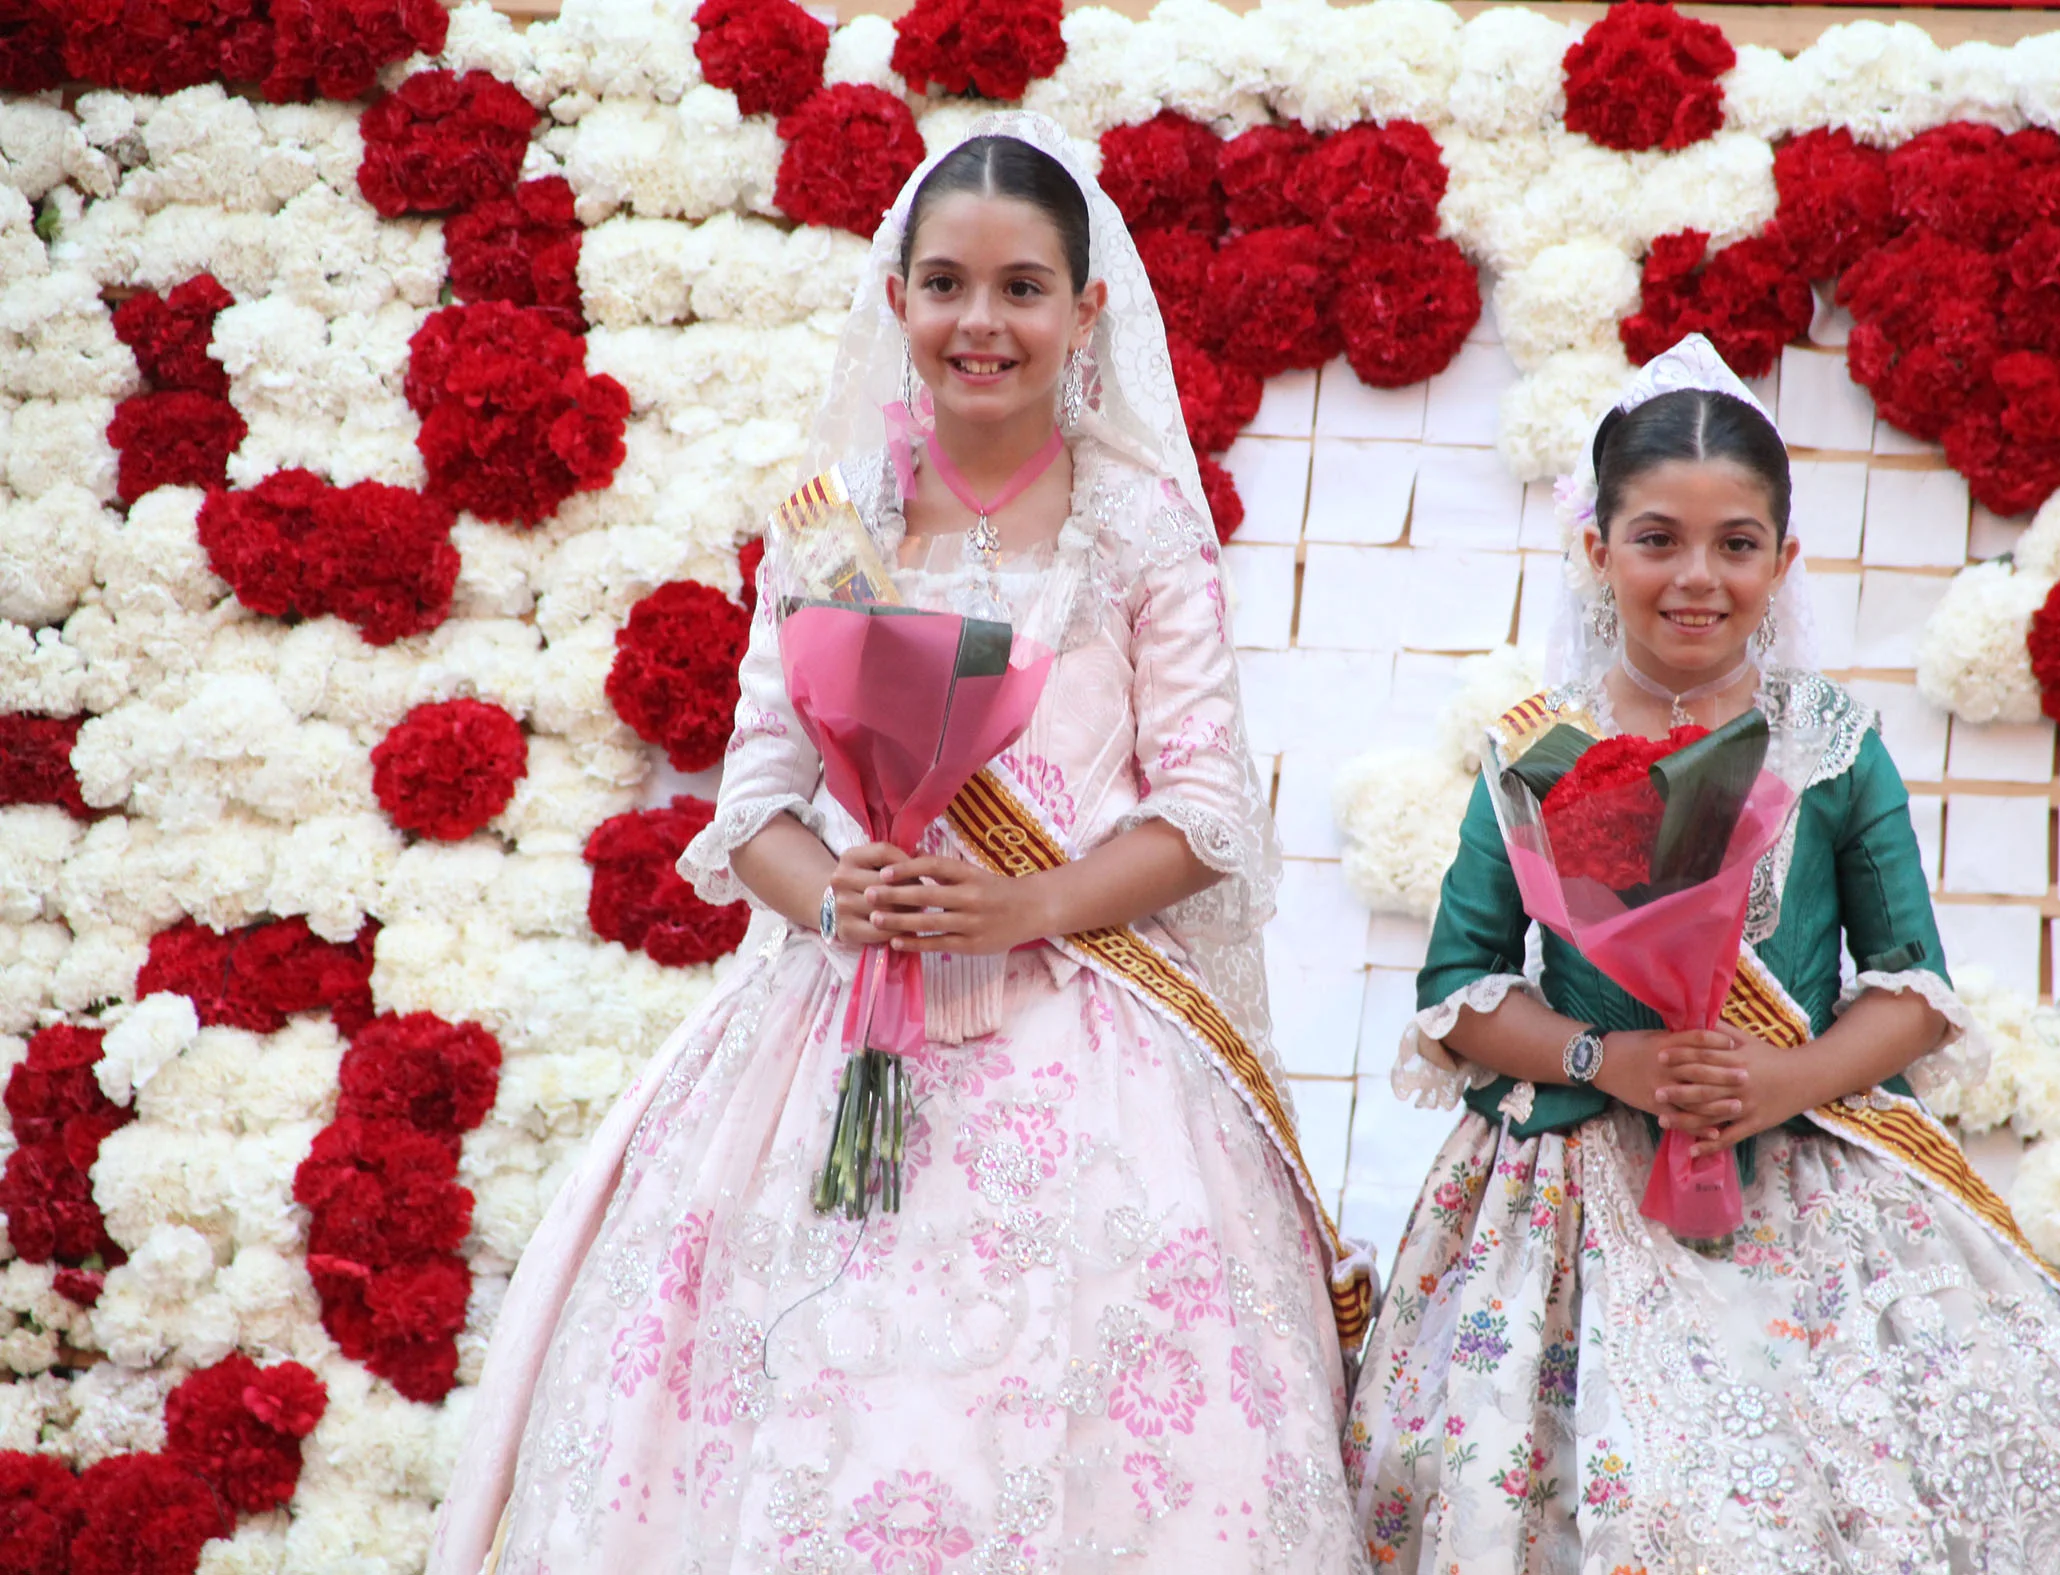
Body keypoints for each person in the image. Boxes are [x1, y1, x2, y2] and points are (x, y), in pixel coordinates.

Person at [430, 114, 1372, 1575]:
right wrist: (836, 894)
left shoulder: (1139, 534)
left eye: (1018, 288)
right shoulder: (824, 533)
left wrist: (1030, 902)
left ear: (1085, 309)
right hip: (836, 1028)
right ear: (897, 301)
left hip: (1091, 1034)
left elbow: (1203, 809)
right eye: (944, 284)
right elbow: (754, 802)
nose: (978, 322)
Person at [1344, 336, 2060, 1573]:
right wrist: (1608, 1056)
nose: (1697, 577)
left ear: (1783, 563)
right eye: (1657, 539)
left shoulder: (1834, 746)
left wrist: (1783, 1082)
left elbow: (1912, 990)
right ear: (1596, 551)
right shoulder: (1533, 747)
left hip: (1807, 1168)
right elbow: (1460, 993)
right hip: (1571, 1177)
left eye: (1736, 544)